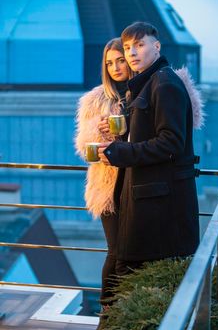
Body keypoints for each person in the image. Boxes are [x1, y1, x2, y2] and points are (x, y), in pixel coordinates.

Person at [98, 22, 204, 277]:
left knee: (128, 274)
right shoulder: (149, 83)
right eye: (127, 47)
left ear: (156, 47)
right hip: (147, 198)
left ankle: (111, 318)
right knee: (126, 272)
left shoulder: (164, 83)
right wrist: (119, 137)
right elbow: (147, 135)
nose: (132, 53)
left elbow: (170, 142)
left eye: (139, 45)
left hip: (156, 204)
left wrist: (119, 152)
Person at [74, 38, 132, 313]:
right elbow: (86, 152)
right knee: (116, 251)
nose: (115, 67)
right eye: (110, 63)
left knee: (133, 252)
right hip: (108, 188)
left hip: (137, 184)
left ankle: (130, 310)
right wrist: (99, 133)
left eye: (120, 60)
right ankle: (108, 311)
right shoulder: (95, 100)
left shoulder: (144, 92)